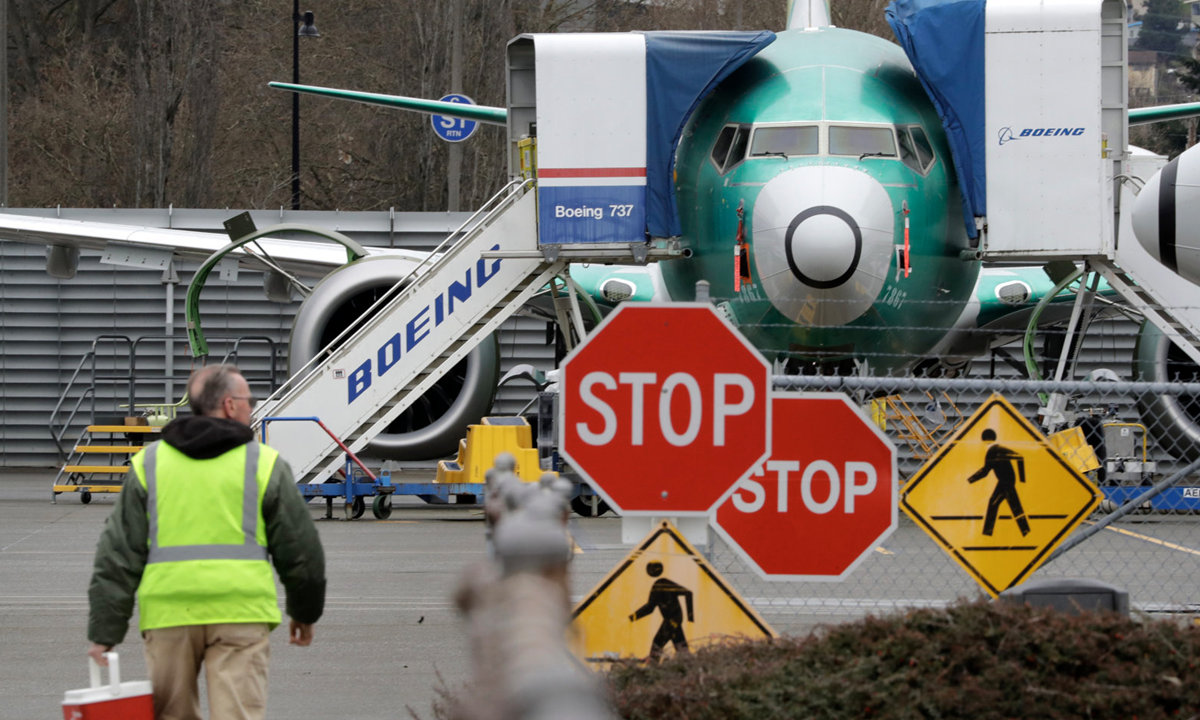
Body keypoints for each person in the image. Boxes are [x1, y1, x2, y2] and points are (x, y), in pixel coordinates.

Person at [86, 364, 326, 720]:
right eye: (249, 400)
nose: (252, 408)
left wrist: (105, 630)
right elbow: (301, 551)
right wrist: (304, 613)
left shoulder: (149, 464)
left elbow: (117, 554)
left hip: (169, 615)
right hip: (240, 614)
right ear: (230, 405)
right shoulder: (263, 463)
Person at [966, 428, 1031, 537]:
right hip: (1006, 481)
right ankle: (1025, 531)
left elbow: (985, 471)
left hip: (1006, 482)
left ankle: (988, 532)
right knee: (1012, 506)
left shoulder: (995, 450)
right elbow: (986, 471)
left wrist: (969, 481)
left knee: (996, 503)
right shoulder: (995, 450)